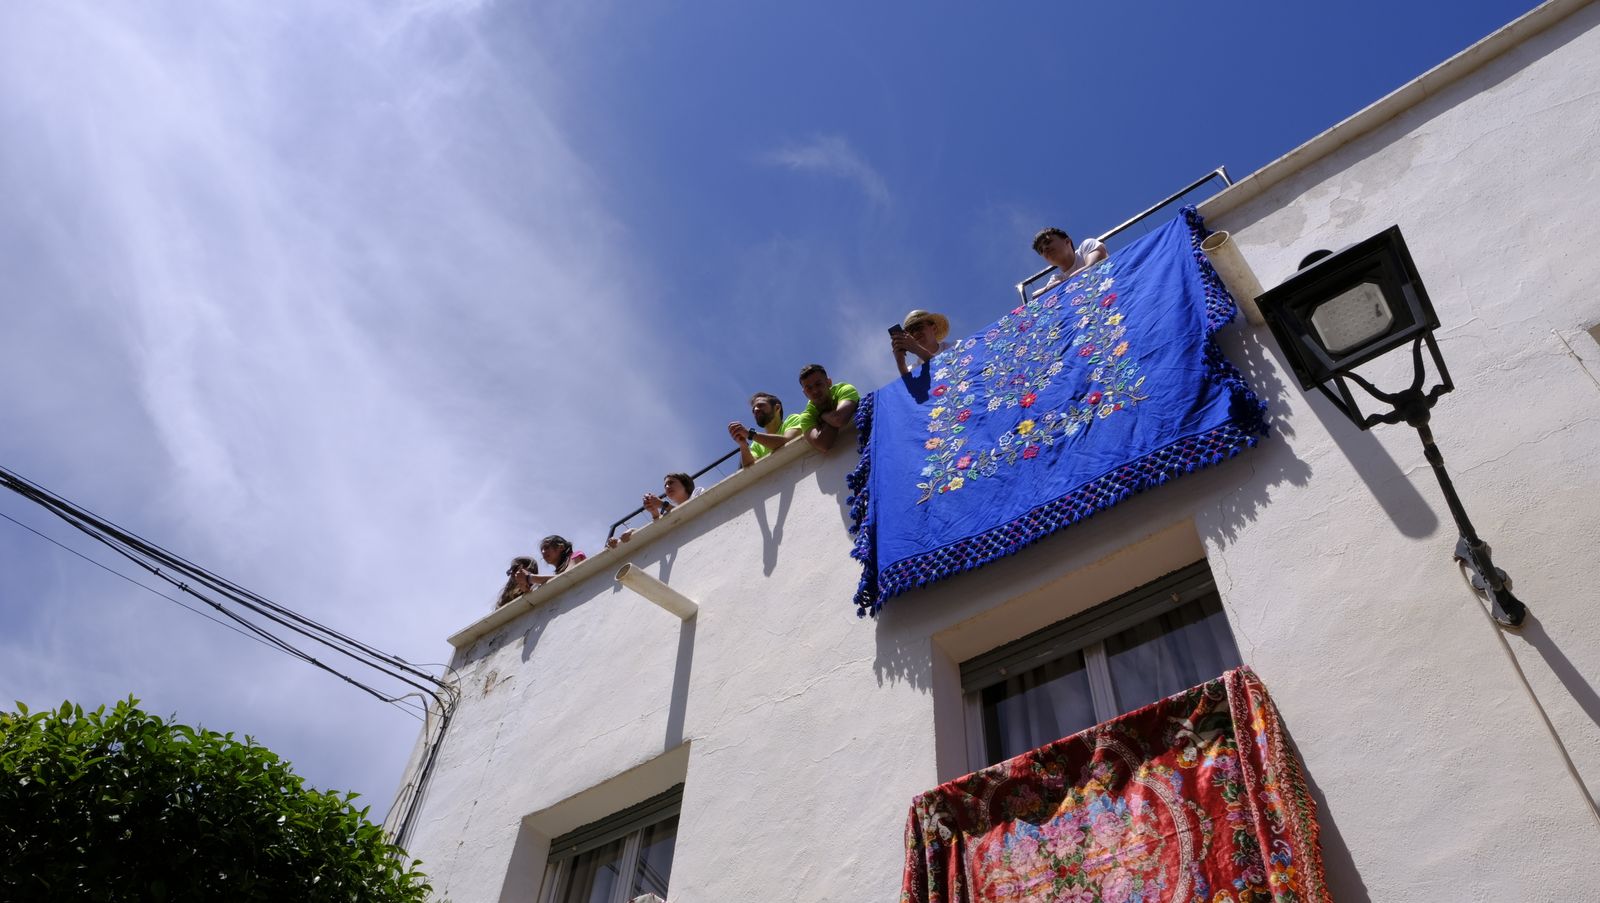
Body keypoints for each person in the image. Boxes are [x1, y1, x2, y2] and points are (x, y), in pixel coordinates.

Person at [607, 473, 707, 548]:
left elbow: (691, 509)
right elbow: (659, 529)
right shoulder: (667, 512)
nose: (667, 487)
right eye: (665, 485)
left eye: (671, 482)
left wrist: (662, 504)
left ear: (685, 484)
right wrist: (632, 532)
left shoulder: (697, 492)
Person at [728, 392, 806, 468]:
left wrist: (750, 434)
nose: (755, 410)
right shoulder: (756, 443)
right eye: (753, 409)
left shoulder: (792, 419)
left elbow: (788, 442)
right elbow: (750, 467)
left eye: (761, 405)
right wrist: (743, 445)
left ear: (777, 408)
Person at [794, 363, 860, 452]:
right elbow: (822, 444)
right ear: (805, 393)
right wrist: (831, 416)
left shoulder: (844, 389)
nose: (815, 391)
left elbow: (839, 419)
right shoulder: (807, 416)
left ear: (829, 382)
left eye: (818, 384)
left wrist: (823, 415)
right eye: (809, 388)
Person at [1032, 226, 1109, 294]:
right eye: (1041, 250)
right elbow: (1037, 297)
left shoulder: (1086, 246)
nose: (1045, 248)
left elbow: (1094, 265)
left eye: (1048, 242)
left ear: (1067, 241)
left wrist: (1062, 284)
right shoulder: (1056, 278)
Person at [891, 309, 952, 376]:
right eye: (910, 332)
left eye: (918, 327)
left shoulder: (955, 347)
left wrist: (916, 348)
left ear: (934, 328)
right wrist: (900, 361)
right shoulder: (913, 370)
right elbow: (910, 385)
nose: (915, 333)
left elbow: (949, 371)